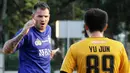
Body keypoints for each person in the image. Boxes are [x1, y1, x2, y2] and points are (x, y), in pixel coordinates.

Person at [60, 8, 130, 73]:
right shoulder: (119, 47)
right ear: (105, 27)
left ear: (86, 27)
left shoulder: (75, 48)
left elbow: (64, 71)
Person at [2, 2, 58, 73]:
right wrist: (22, 33)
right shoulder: (27, 32)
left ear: (49, 17)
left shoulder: (48, 29)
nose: (43, 19)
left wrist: (48, 54)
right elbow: (6, 50)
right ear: (33, 16)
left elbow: (38, 51)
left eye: (46, 16)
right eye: (40, 16)